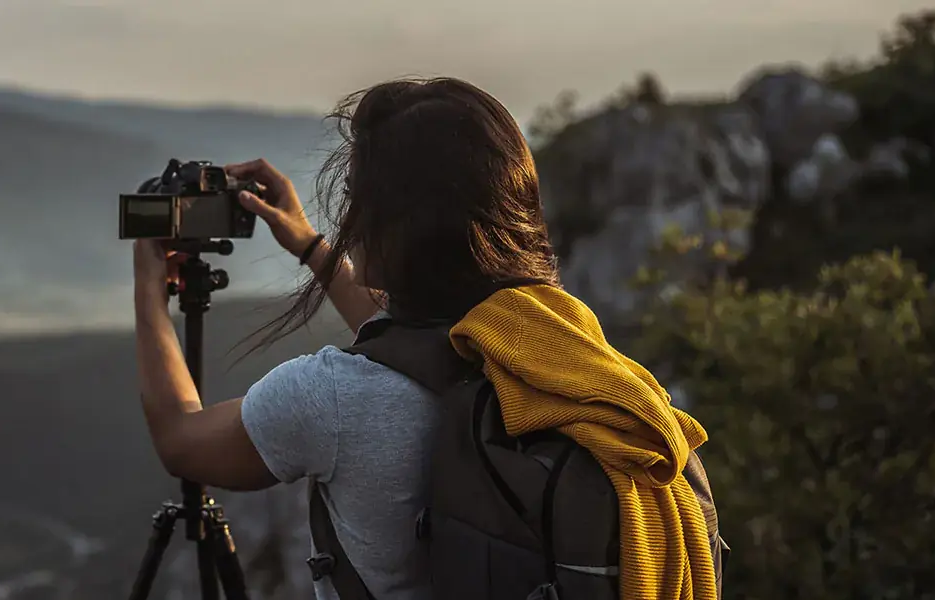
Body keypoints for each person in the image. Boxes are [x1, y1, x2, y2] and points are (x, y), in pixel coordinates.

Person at [131, 77, 719, 600]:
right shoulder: (560, 352)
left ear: (385, 232)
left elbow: (181, 439)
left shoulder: (330, 399)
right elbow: (417, 343)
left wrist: (150, 289)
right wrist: (311, 246)